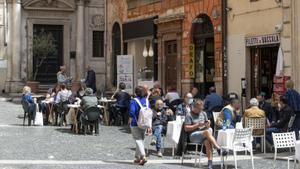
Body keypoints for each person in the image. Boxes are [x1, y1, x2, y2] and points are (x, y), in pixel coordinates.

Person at [184, 100, 223, 169]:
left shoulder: (203, 113)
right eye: (199, 109)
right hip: (193, 135)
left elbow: (207, 127)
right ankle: (218, 148)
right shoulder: (189, 115)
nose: (200, 110)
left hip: (204, 133)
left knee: (207, 141)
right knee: (207, 132)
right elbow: (186, 128)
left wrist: (208, 124)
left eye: (201, 109)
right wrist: (197, 125)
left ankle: (210, 164)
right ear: (194, 107)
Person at [129, 86, 150, 165]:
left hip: (135, 123)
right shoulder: (147, 101)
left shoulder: (134, 101)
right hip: (145, 123)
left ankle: (143, 156)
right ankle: (137, 158)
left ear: (135, 92)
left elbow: (132, 112)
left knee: (138, 140)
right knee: (141, 140)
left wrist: (130, 120)